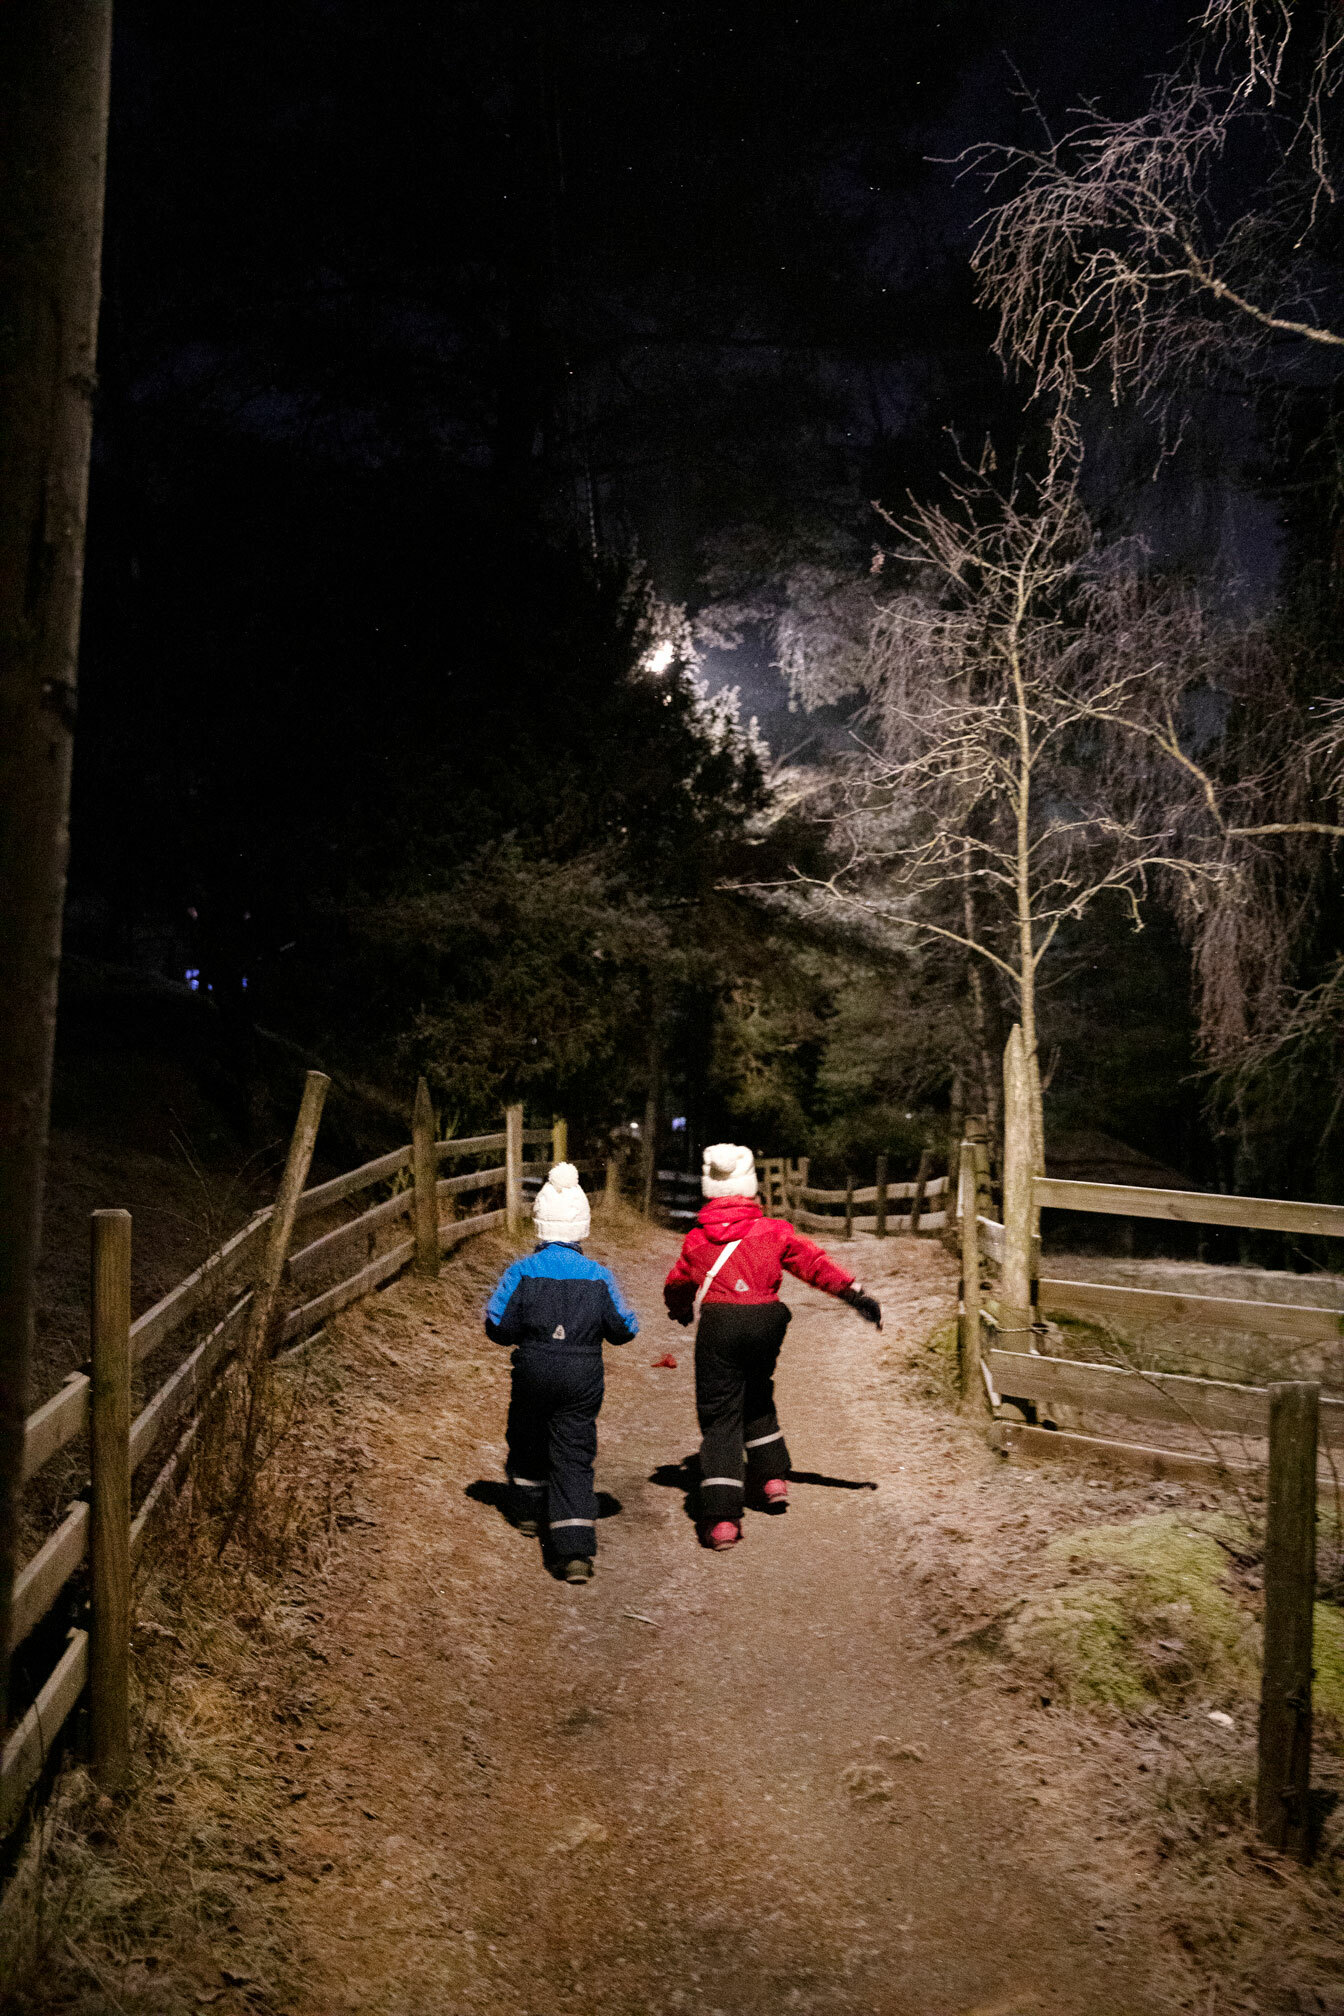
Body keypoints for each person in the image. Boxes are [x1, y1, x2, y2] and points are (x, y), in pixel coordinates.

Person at [663, 1143, 882, 1551]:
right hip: (767, 1320)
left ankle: (723, 1519)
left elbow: (678, 1282)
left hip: (721, 1323)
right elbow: (812, 1264)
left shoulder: (697, 1239)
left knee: (721, 1415)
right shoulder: (775, 1231)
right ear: (750, 1188)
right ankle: (772, 1479)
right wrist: (854, 1294)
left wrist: (679, 1309)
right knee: (758, 1396)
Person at [485, 1162, 638, 1583]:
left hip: (534, 1367)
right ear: (582, 1226)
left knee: (527, 1433)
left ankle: (528, 1511)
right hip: (582, 1374)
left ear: (538, 1222)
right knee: (574, 1453)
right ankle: (575, 1551)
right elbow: (624, 1330)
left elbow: (498, 1327)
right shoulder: (600, 1276)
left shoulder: (520, 1271)